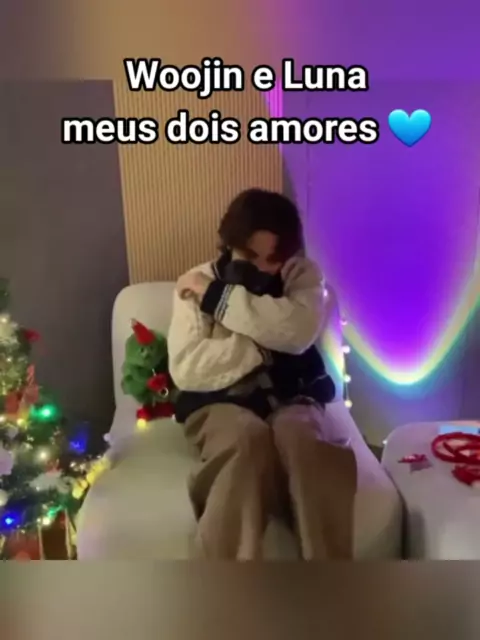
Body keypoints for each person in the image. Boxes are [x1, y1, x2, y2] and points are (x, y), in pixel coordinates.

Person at [167, 188, 357, 560]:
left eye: (274, 258)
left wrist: (218, 299)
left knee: (301, 440)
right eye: (252, 256)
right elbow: (188, 368)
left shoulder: (302, 276)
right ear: (230, 244)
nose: (264, 268)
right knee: (246, 439)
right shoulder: (196, 280)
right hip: (220, 403)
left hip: (293, 395)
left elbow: (297, 333)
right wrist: (264, 343)